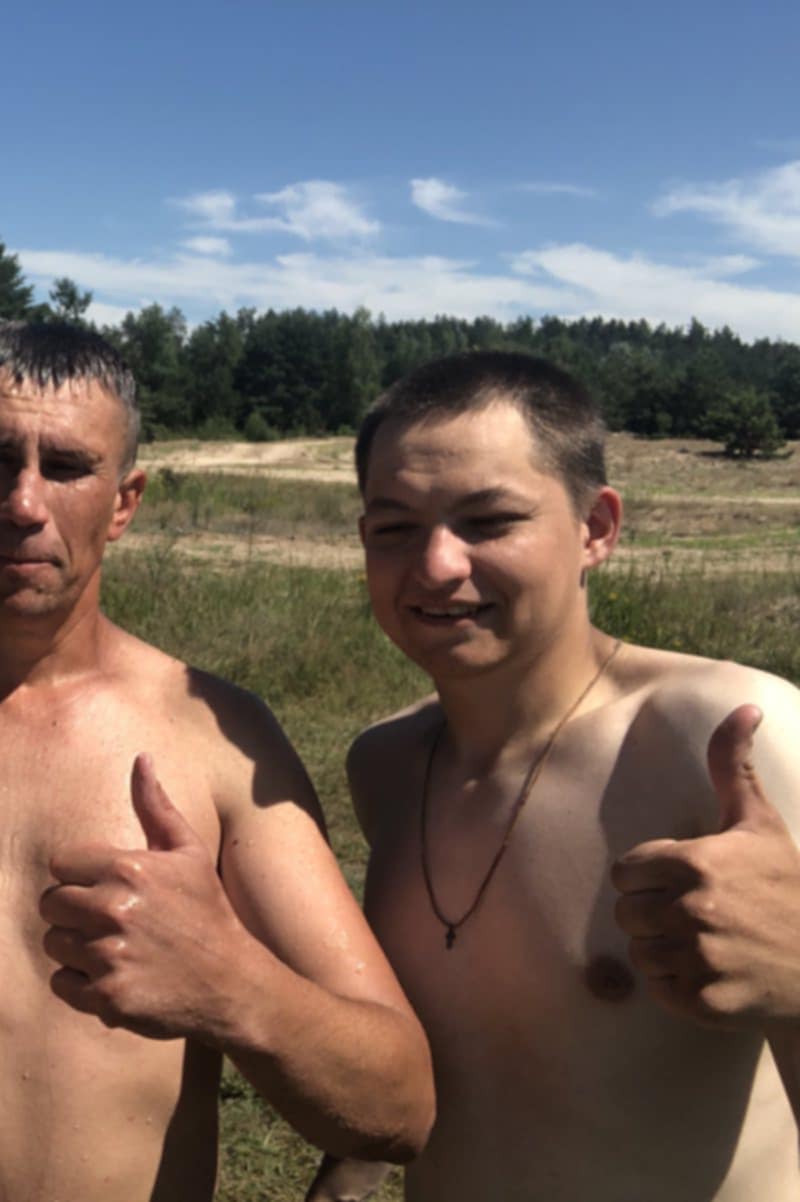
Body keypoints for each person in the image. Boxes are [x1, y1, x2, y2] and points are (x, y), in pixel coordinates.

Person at [0, 322, 434, 1202]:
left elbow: (398, 1105)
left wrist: (231, 984)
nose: (25, 503)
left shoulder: (216, 738)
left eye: (67, 467)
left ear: (124, 502)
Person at [310, 350, 800, 1201]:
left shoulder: (728, 738)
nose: (436, 565)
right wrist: (342, 1184)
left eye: (489, 520)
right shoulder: (385, 765)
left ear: (595, 528)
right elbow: (444, 1053)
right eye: (394, 528)